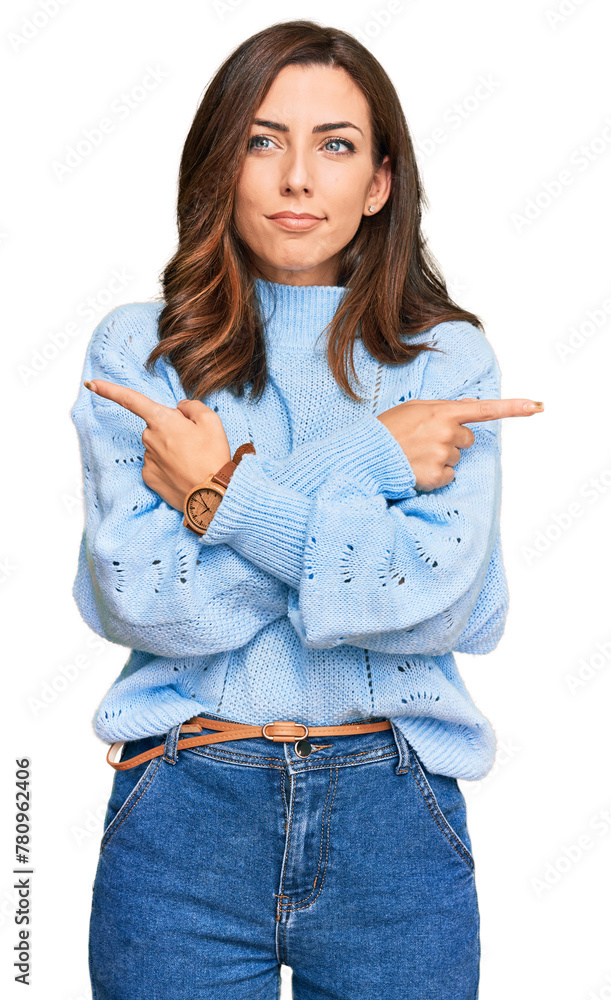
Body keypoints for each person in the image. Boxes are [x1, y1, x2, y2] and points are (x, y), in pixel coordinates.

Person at [70, 19, 543, 1000]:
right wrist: (373, 455)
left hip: (392, 817)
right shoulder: (137, 357)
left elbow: (434, 603)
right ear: (220, 163)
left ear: (377, 181)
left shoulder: (445, 365)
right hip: (181, 812)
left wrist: (217, 499)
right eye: (261, 138)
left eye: (333, 144)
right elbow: (143, 597)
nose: (296, 178)